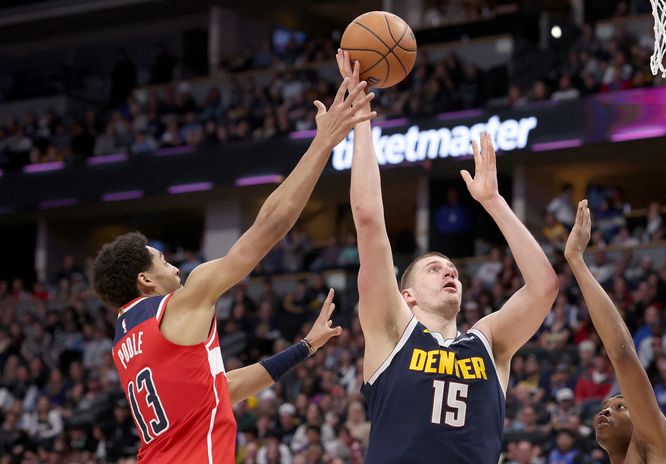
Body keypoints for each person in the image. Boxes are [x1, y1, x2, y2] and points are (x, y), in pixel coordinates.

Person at [92, 77, 376, 463]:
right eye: (161, 259)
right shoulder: (181, 303)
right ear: (144, 279)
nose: (172, 264)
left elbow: (220, 389)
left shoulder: (124, 343)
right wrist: (323, 143)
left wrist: (305, 347)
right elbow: (269, 228)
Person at [337, 50, 559, 463]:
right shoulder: (390, 330)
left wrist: (493, 202)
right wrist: (362, 122)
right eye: (434, 269)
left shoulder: (488, 342)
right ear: (407, 296)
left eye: (452, 269)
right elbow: (368, 219)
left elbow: (544, 286)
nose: (449, 272)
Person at [564, 199, 666, 463]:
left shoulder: (654, 448)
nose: (606, 412)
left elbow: (621, 352)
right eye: (606, 407)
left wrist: (576, 260)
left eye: (621, 407)